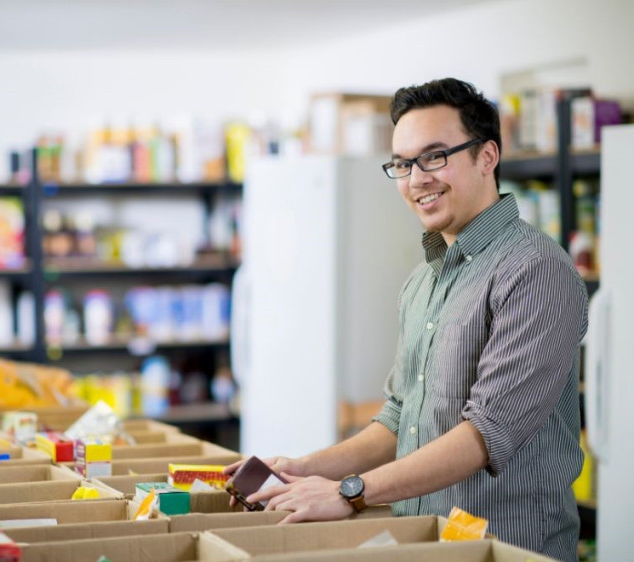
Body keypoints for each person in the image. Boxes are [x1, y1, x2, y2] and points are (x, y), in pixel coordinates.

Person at [224, 77, 588, 561]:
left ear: (487, 156)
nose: (416, 178)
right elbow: (398, 418)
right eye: (402, 163)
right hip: (424, 542)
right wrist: (304, 468)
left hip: (506, 548)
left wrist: (349, 491)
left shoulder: (535, 270)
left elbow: (486, 433)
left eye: (435, 156)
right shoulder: (423, 280)